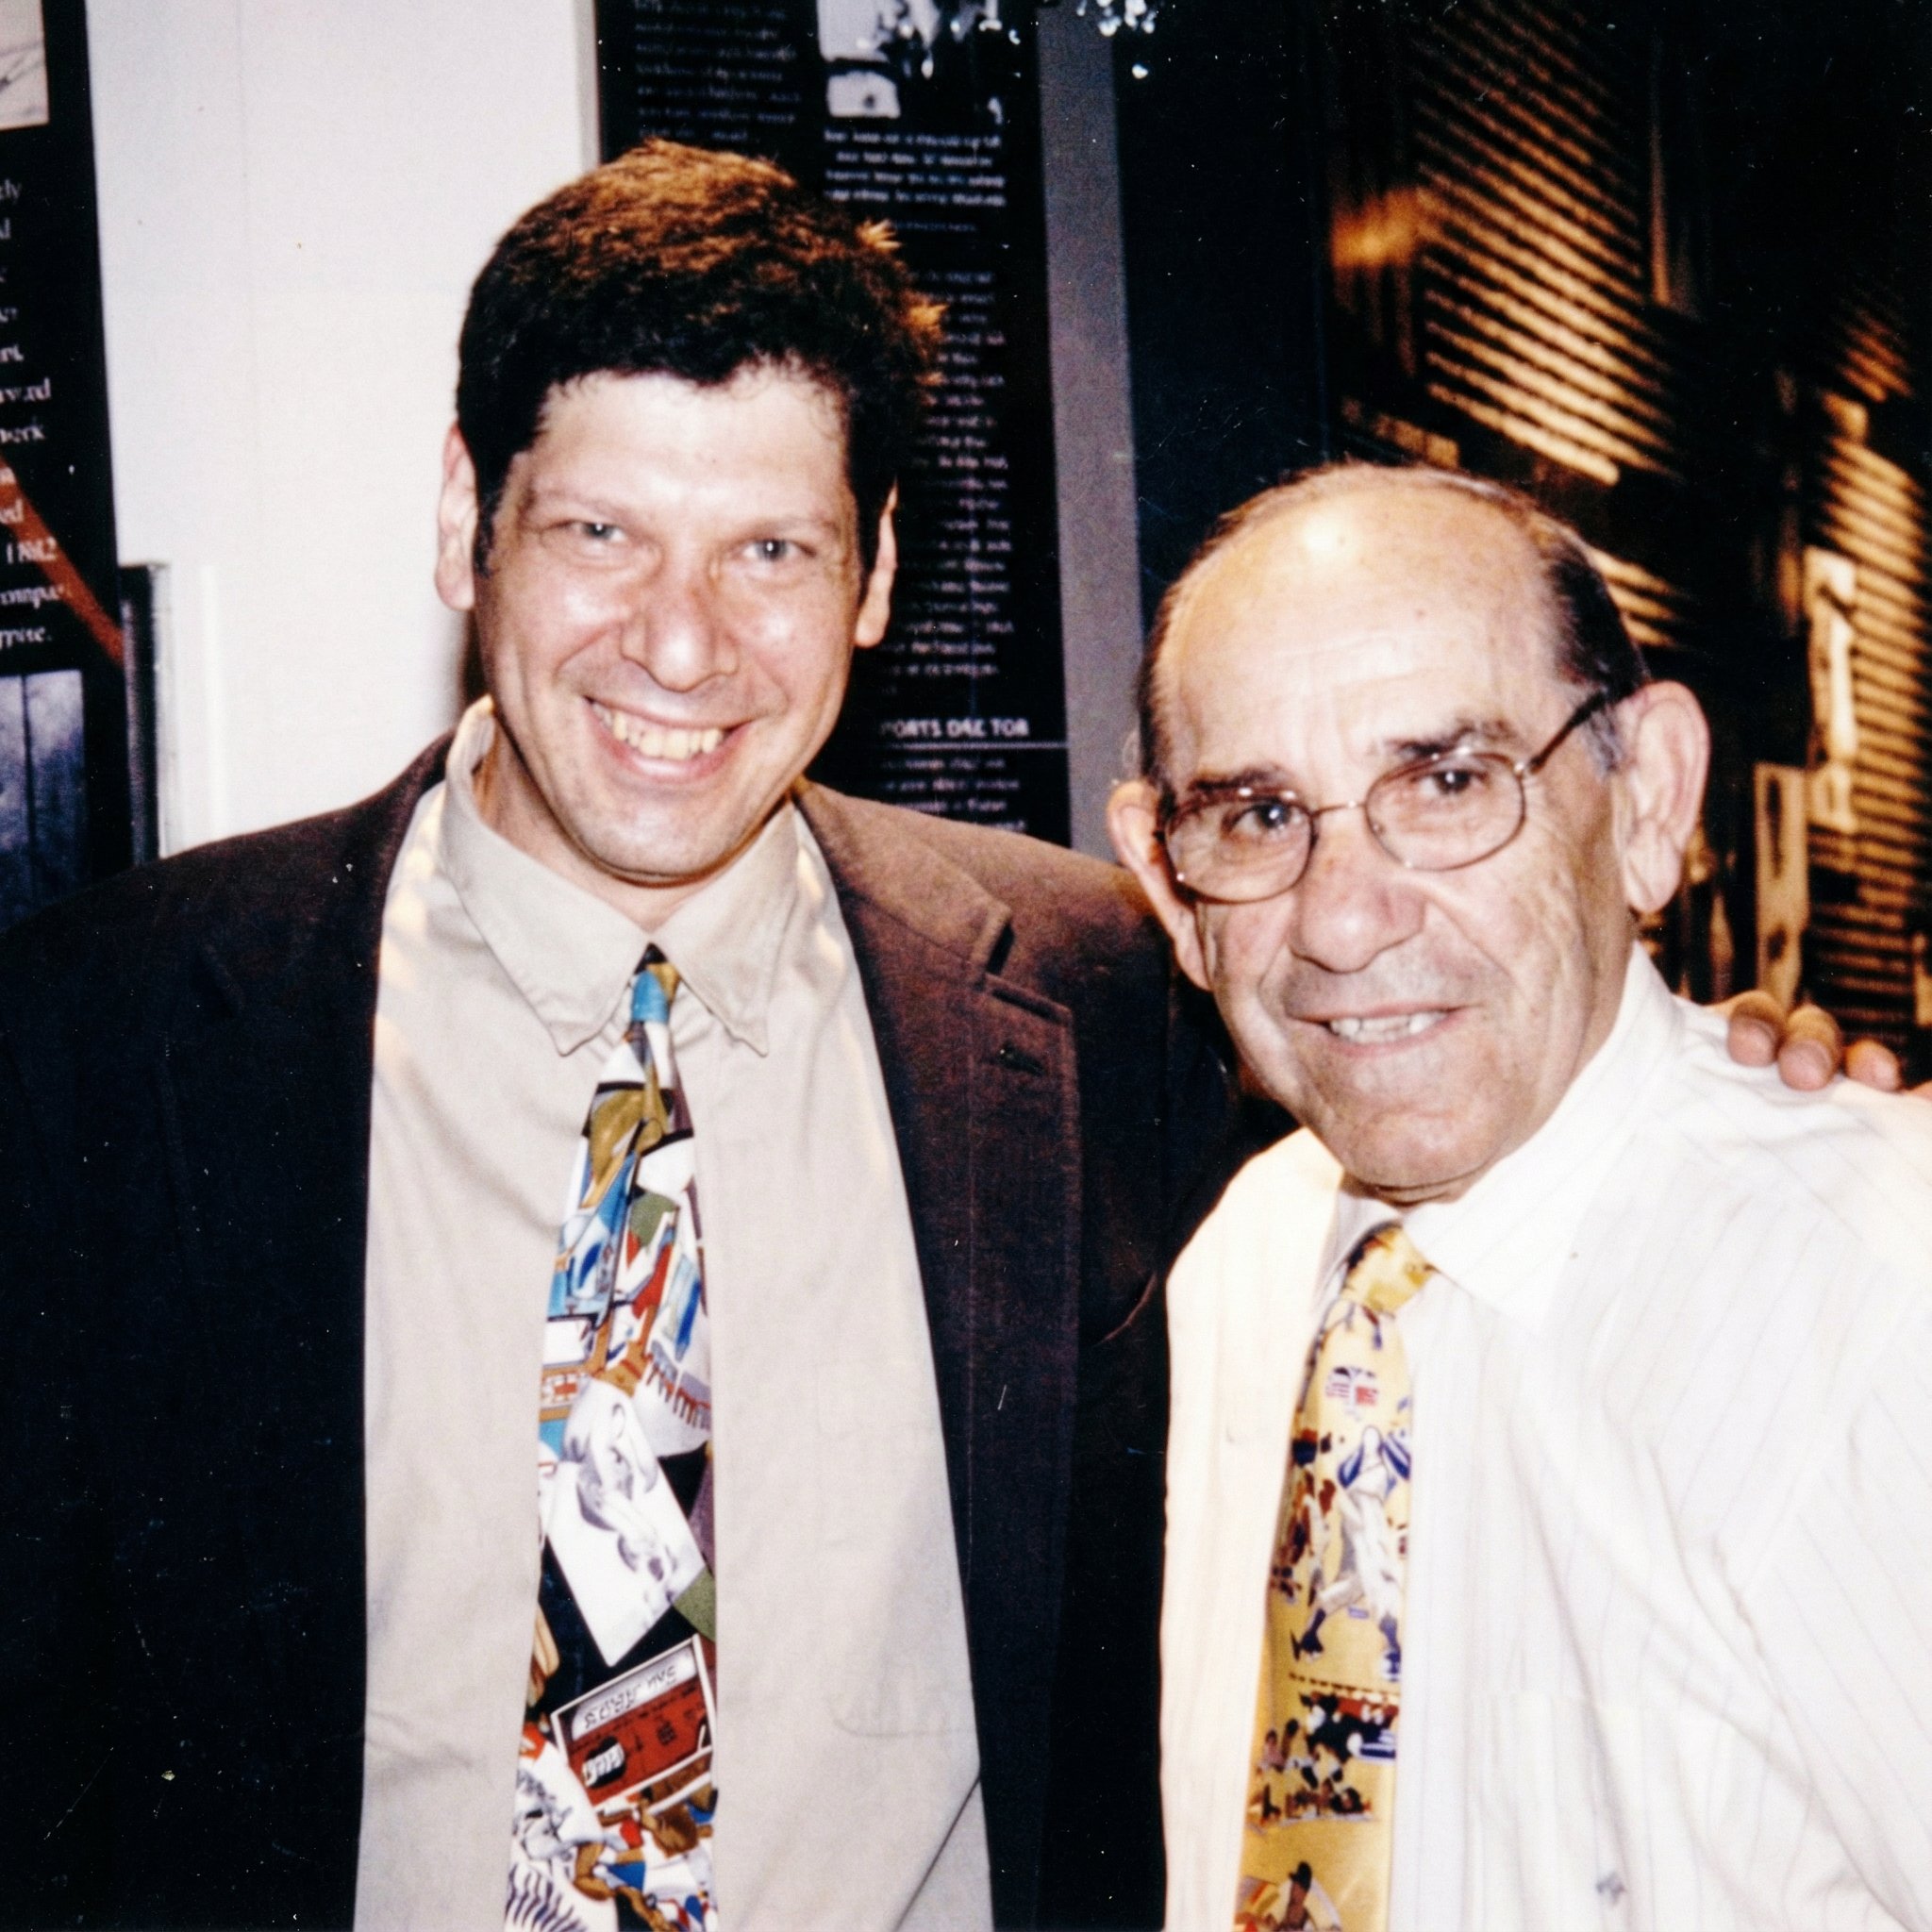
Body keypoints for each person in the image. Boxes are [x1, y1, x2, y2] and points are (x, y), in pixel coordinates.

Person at [0, 140, 1233, 1931]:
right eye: (600, 533)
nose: (682, 641)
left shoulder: (1097, 998)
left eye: (771, 551)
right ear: (461, 522)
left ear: (876, 574)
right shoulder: (102, 1042)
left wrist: (1749, 1077)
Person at [1109, 462, 1932, 1931]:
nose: (1346, 918)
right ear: (1171, 890)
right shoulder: (1246, 1264)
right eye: (1256, 814)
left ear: (1647, 801)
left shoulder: (1881, 1291)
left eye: (1445, 783)